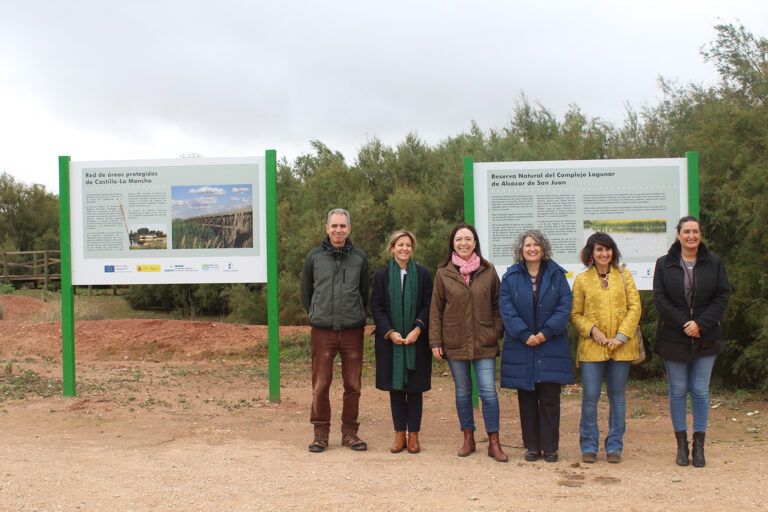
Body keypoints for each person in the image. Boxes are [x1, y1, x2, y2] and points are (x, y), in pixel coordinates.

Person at [653, 215, 729, 468]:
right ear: (678, 235)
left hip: (706, 335)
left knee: (699, 390)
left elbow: (722, 296)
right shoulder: (664, 264)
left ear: (700, 235)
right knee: (677, 390)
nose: (691, 236)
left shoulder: (714, 263)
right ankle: (681, 445)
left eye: (695, 231)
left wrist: (701, 324)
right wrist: (685, 324)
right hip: (674, 336)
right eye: (686, 231)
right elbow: (661, 300)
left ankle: (699, 445)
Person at [429, 222, 508, 462]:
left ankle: (494, 442)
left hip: (484, 340)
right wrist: (435, 341)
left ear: (475, 243)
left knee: (488, 391)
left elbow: (499, 305)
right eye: (459, 240)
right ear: (452, 244)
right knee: (463, 392)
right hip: (454, 341)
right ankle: (468, 438)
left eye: (468, 239)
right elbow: (436, 310)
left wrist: (496, 332)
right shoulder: (443, 273)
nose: (464, 243)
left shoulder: (488, 270)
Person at [499, 230, 573, 463]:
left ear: (543, 249)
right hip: (522, 346)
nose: (532, 249)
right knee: (527, 399)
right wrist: (524, 334)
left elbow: (564, 307)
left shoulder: (557, 275)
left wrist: (544, 333)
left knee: (550, 399)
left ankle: (550, 448)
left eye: (536, 245)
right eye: (527, 245)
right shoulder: (510, 278)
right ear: (520, 250)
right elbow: (506, 309)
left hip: (551, 345)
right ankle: (532, 446)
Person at [300, 208, 369, 453]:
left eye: (343, 226)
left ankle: (350, 433)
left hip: (352, 331)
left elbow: (364, 293)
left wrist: (355, 314)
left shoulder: (359, 257)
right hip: (323, 330)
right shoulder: (314, 257)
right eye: (334, 226)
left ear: (349, 229)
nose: (338, 230)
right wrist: (318, 314)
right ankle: (320, 433)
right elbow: (306, 294)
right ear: (326, 228)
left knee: (353, 385)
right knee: (320, 384)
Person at [570, 232, 641, 464]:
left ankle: (614, 446)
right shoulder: (581, 280)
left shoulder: (624, 275)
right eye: (599, 249)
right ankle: (589, 445)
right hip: (592, 347)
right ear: (591, 253)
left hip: (621, 347)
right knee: (590, 396)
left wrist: (621, 337)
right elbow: (575, 314)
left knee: (617, 397)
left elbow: (635, 308)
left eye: (608, 249)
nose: (604, 254)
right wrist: (593, 330)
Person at [370, 229, 434, 454]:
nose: (404, 248)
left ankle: (414, 436)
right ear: (392, 248)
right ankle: (399, 435)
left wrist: (418, 328)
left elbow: (429, 305)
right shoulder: (382, 276)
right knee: (395, 389)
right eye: (400, 245)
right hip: (391, 342)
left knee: (415, 389)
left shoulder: (424, 275)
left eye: (408, 245)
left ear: (412, 249)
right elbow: (376, 306)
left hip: (417, 340)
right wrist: (389, 331)